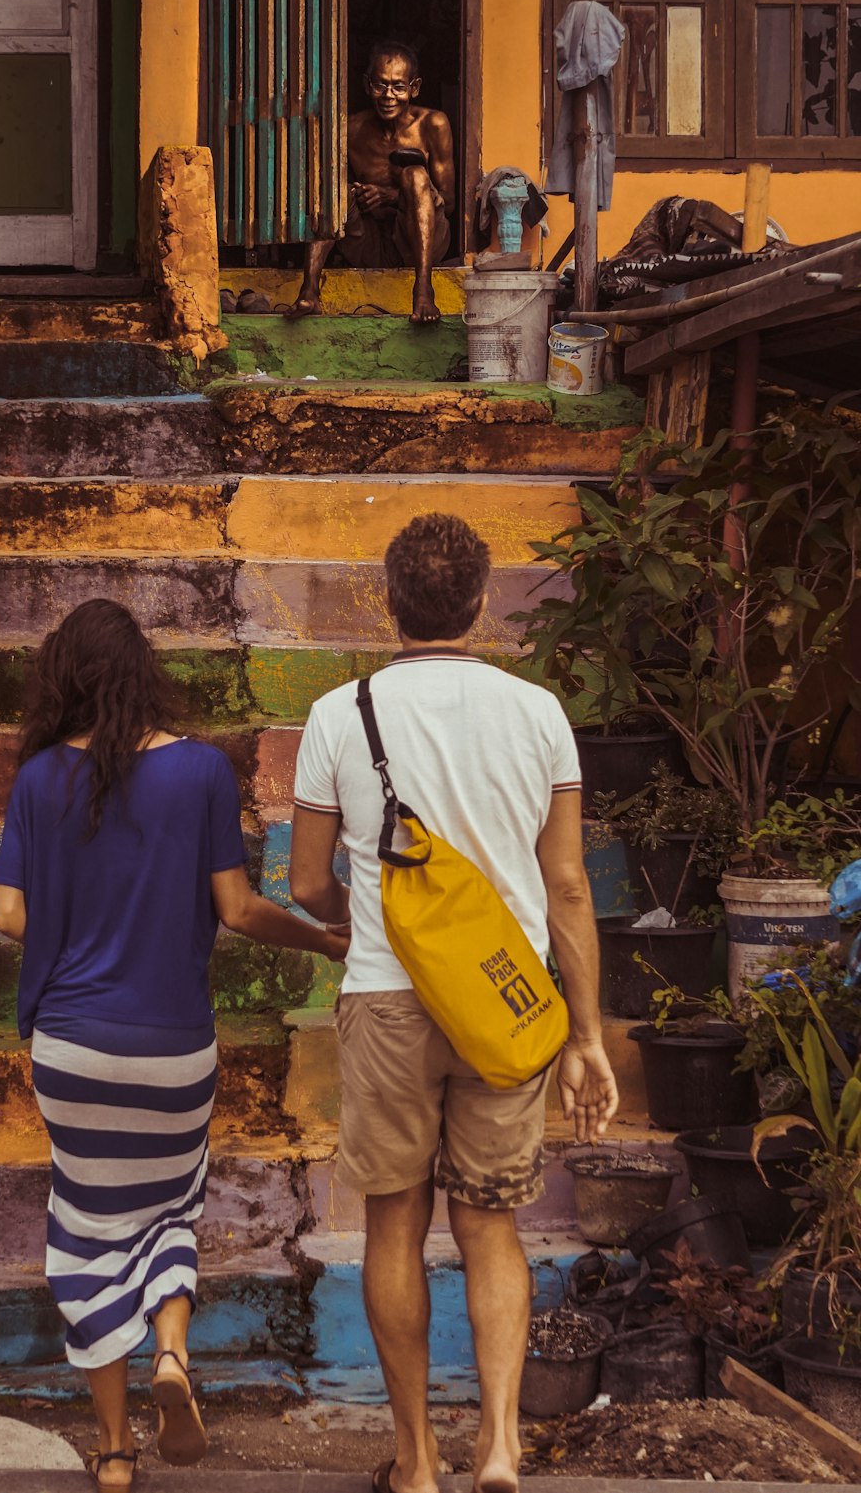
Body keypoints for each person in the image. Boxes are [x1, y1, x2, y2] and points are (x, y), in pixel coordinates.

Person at [288, 514, 618, 1493]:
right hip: (505, 1005)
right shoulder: (538, 713)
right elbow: (565, 886)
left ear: (389, 601)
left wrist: (363, 930)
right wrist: (585, 1034)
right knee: (491, 1224)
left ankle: (418, 1462)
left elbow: (306, 884)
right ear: (482, 602)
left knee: (393, 1222)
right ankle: (503, 1448)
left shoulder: (338, 714)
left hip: (387, 995)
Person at [0, 599, 349, 1490]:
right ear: (143, 674)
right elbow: (238, 909)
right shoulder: (200, 772)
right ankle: (174, 1353)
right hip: (173, 1050)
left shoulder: (37, 778)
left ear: (62, 677)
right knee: (170, 1212)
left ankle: (113, 1452)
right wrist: (328, 940)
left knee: (85, 1230)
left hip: (72, 1048)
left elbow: (7, 917)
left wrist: (76, 917)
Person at [288, 42, 455, 325]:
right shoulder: (351, 129)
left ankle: (424, 291)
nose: (388, 96)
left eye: (398, 87)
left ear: (414, 88)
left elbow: (448, 204)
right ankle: (310, 291)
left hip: (419, 241)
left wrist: (393, 196)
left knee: (414, 175)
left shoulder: (432, 124)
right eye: (380, 85)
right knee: (332, 184)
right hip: (370, 243)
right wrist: (359, 193)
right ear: (367, 85)